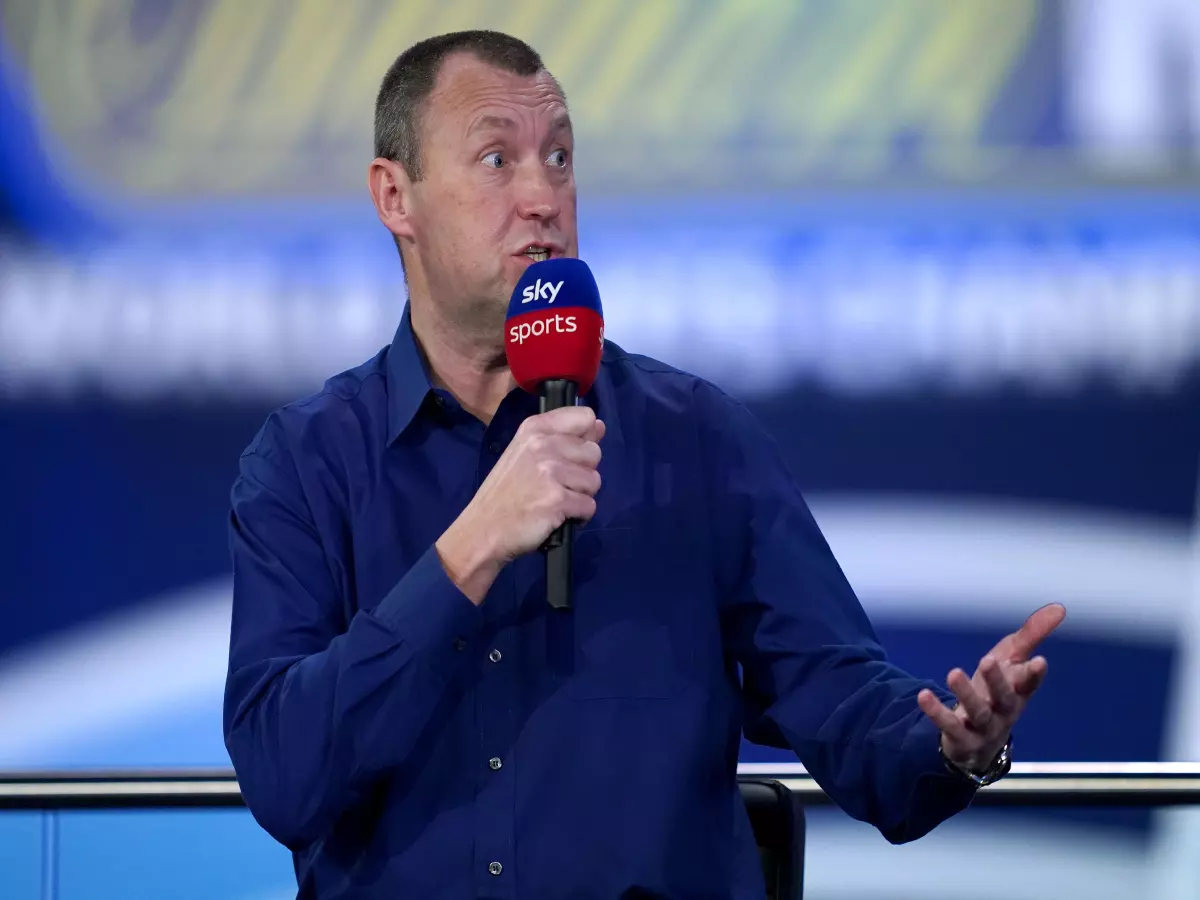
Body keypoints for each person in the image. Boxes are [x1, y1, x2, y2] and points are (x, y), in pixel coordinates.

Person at [223, 29, 1065, 899]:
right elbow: (285, 776)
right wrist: (469, 550)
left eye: (559, 157)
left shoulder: (693, 438)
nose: (543, 195)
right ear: (395, 196)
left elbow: (841, 699)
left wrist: (955, 746)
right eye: (496, 159)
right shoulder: (304, 462)